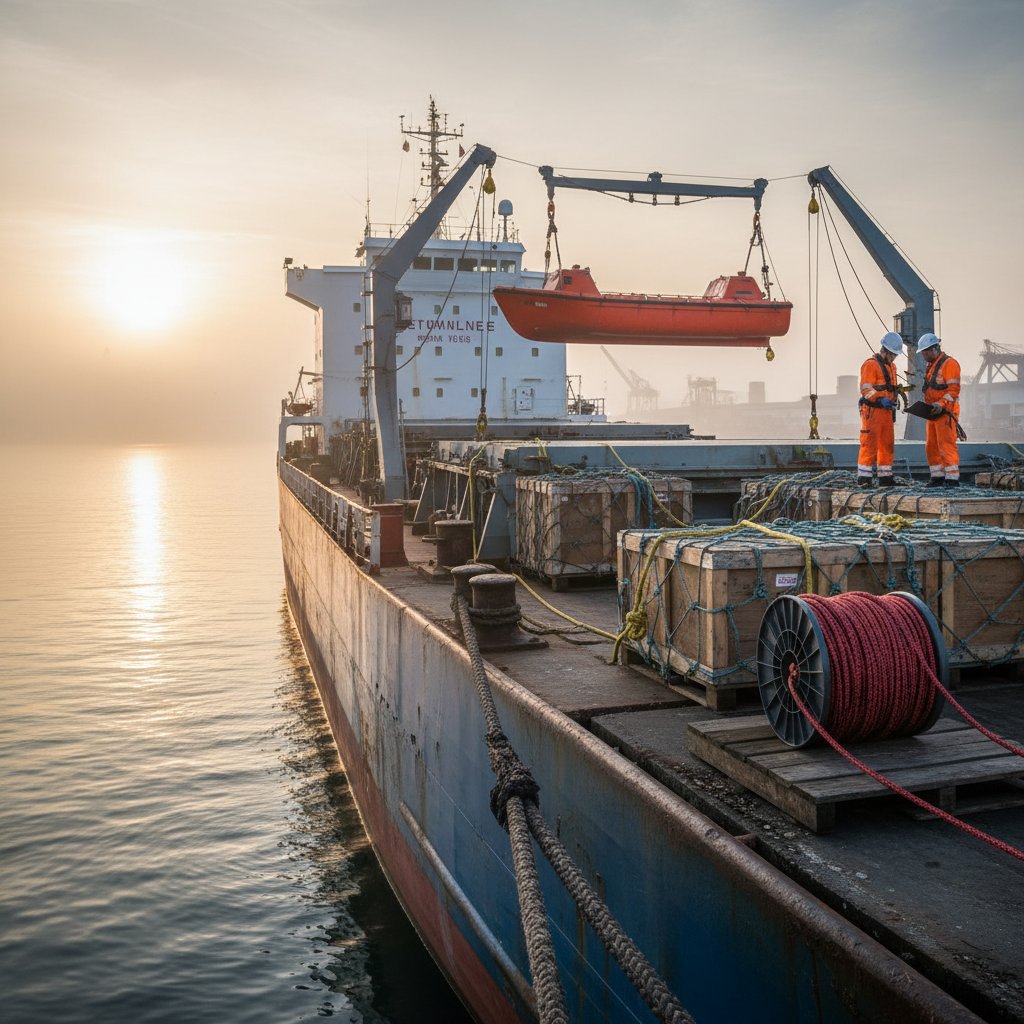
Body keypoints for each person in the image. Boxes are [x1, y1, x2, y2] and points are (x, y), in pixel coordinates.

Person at [857, 332, 903, 488]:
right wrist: (879, 398)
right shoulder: (870, 365)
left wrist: (891, 400)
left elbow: (890, 387)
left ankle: (885, 477)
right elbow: (866, 389)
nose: (894, 358)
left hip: (886, 412)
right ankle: (864, 478)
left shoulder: (892, 366)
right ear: (885, 351)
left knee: (887, 444)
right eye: (893, 355)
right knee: (869, 444)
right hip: (872, 412)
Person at [917, 333, 962, 487]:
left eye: (925, 352)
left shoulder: (950, 364)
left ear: (935, 349)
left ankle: (952, 478)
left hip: (945, 412)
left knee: (946, 445)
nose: (923, 355)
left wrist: (941, 404)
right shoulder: (932, 365)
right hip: (933, 413)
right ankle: (937, 477)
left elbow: (953, 391)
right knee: (932, 446)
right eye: (922, 352)